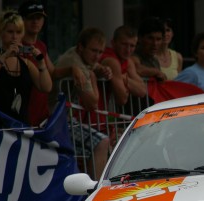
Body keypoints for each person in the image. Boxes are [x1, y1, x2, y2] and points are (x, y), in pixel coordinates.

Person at [53, 27, 112, 179]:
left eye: (100, 52)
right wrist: (93, 77)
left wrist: (101, 69)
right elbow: (92, 104)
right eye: (94, 51)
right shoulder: (76, 64)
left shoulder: (75, 55)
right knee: (102, 142)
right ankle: (96, 191)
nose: (97, 56)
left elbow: (93, 65)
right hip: (57, 122)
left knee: (107, 144)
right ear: (81, 47)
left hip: (60, 119)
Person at [0, 10, 52, 123]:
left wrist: (41, 63)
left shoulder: (26, 63)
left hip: (20, 125)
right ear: (1, 33)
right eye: (10, 32)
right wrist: (4, 56)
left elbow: (46, 87)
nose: (14, 36)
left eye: (18, 32)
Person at [19, 0, 54, 127]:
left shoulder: (41, 46)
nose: (35, 21)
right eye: (30, 18)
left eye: (39, 17)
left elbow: (53, 72)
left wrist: (74, 69)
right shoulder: (16, 47)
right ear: (22, 20)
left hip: (42, 116)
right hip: (23, 116)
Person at [100, 25, 147, 107]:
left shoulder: (127, 61)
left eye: (132, 46)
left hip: (99, 110)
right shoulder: (111, 61)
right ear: (113, 43)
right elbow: (122, 99)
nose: (128, 50)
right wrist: (126, 80)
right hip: (84, 111)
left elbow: (142, 91)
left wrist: (123, 78)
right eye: (124, 44)